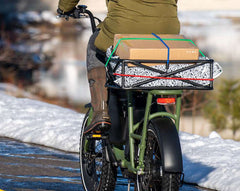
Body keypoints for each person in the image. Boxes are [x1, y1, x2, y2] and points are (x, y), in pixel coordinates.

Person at [57, 0, 180, 134]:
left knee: (95, 45)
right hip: (167, 32)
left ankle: (101, 112)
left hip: (123, 28)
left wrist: (65, 8)